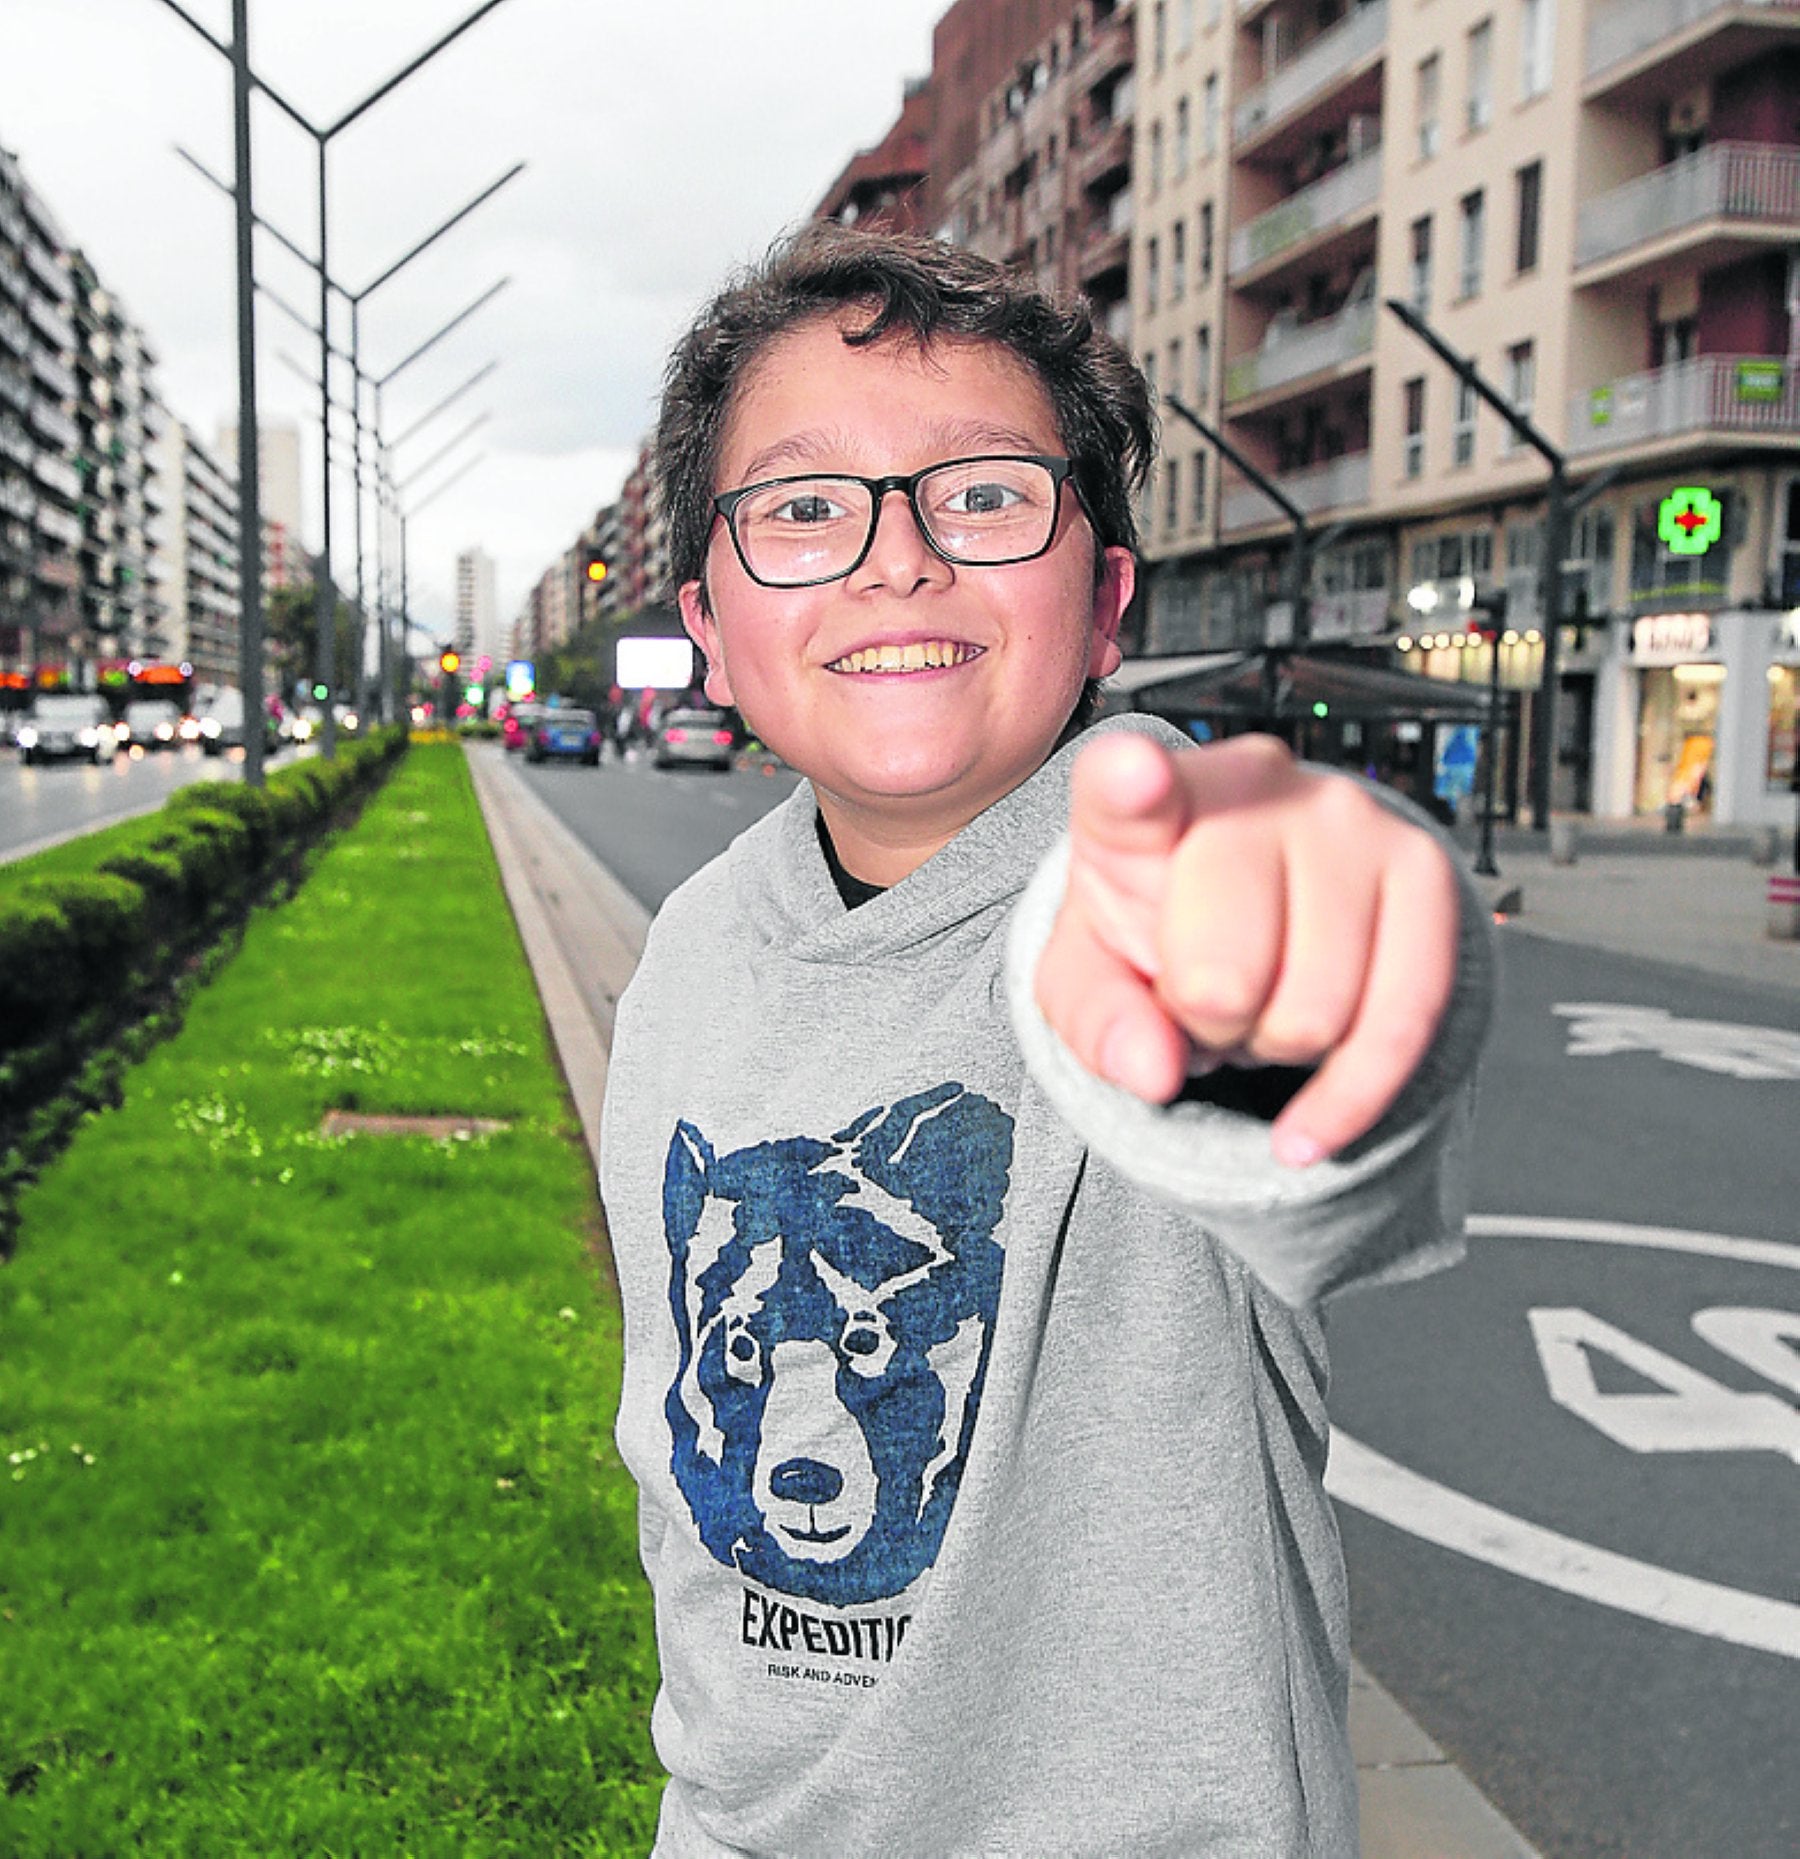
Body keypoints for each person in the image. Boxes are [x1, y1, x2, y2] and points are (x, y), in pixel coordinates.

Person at [598, 226, 1494, 1857]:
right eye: (804, 507)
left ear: (1104, 608)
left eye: (987, 494)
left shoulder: (1152, 882)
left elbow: (1326, 1076)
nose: (897, 559)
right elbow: (681, 1465)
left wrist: (1330, 950)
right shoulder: (688, 962)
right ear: (710, 630)